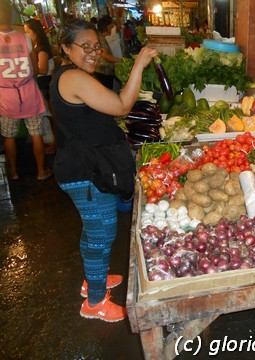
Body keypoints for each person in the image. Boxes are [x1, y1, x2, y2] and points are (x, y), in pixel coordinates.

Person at [49, 19, 157, 322]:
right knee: (101, 233)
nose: (93, 52)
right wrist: (139, 64)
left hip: (83, 168)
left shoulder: (73, 75)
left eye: (96, 46)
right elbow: (122, 105)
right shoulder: (73, 77)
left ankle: (92, 279)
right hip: (86, 174)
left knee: (93, 231)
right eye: (84, 47)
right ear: (66, 48)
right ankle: (94, 303)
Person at [0, 0, 52, 181]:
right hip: (28, 90)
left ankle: (13, 172)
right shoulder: (25, 37)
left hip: (6, 95)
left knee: (8, 136)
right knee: (35, 133)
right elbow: (36, 69)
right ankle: (41, 171)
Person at [24, 18, 56, 154]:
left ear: (35, 32)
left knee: (52, 117)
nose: (26, 35)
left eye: (28, 32)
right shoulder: (37, 46)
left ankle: (56, 145)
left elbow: (42, 69)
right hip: (44, 84)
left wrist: (30, 66)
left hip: (45, 84)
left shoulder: (42, 48)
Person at [94, 15, 121, 90]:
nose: (112, 30)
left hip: (103, 72)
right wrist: (121, 60)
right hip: (103, 73)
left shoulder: (100, 37)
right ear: (106, 27)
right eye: (110, 28)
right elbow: (105, 56)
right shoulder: (99, 38)